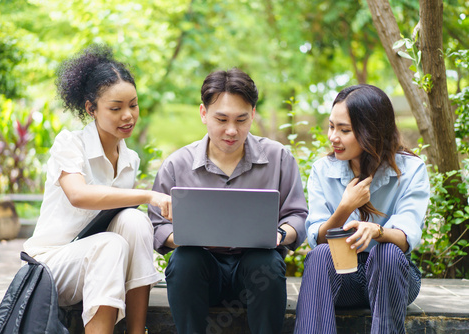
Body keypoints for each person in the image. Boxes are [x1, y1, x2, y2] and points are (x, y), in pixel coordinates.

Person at [23, 44, 172, 334]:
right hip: (50, 265)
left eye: (133, 104)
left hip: (99, 265)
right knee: (111, 242)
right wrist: (146, 195)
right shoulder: (70, 143)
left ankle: (136, 331)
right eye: (115, 108)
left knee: (136, 221)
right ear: (91, 108)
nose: (127, 115)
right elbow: (78, 195)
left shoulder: (130, 159)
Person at [148, 68, 308, 333]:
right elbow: (156, 226)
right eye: (221, 119)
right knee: (185, 259)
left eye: (241, 120)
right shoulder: (178, 165)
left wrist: (279, 234)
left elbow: (297, 217)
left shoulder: (278, 158)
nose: (231, 130)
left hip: (255, 278)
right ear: (203, 113)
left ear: (253, 114)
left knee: (266, 260)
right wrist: (191, 237)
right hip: (202, 277)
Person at [293, 84, 430, 334]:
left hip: (393, 277)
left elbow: (406, 237)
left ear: (372, 131)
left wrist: (377, 231)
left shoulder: (411, 170)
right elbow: (318, 239)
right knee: (320, 256)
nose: (333, 136)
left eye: (344, 130)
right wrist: (345, 207)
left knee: (386, 253)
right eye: (332, 126)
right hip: (343, 278)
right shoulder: (323, 170)